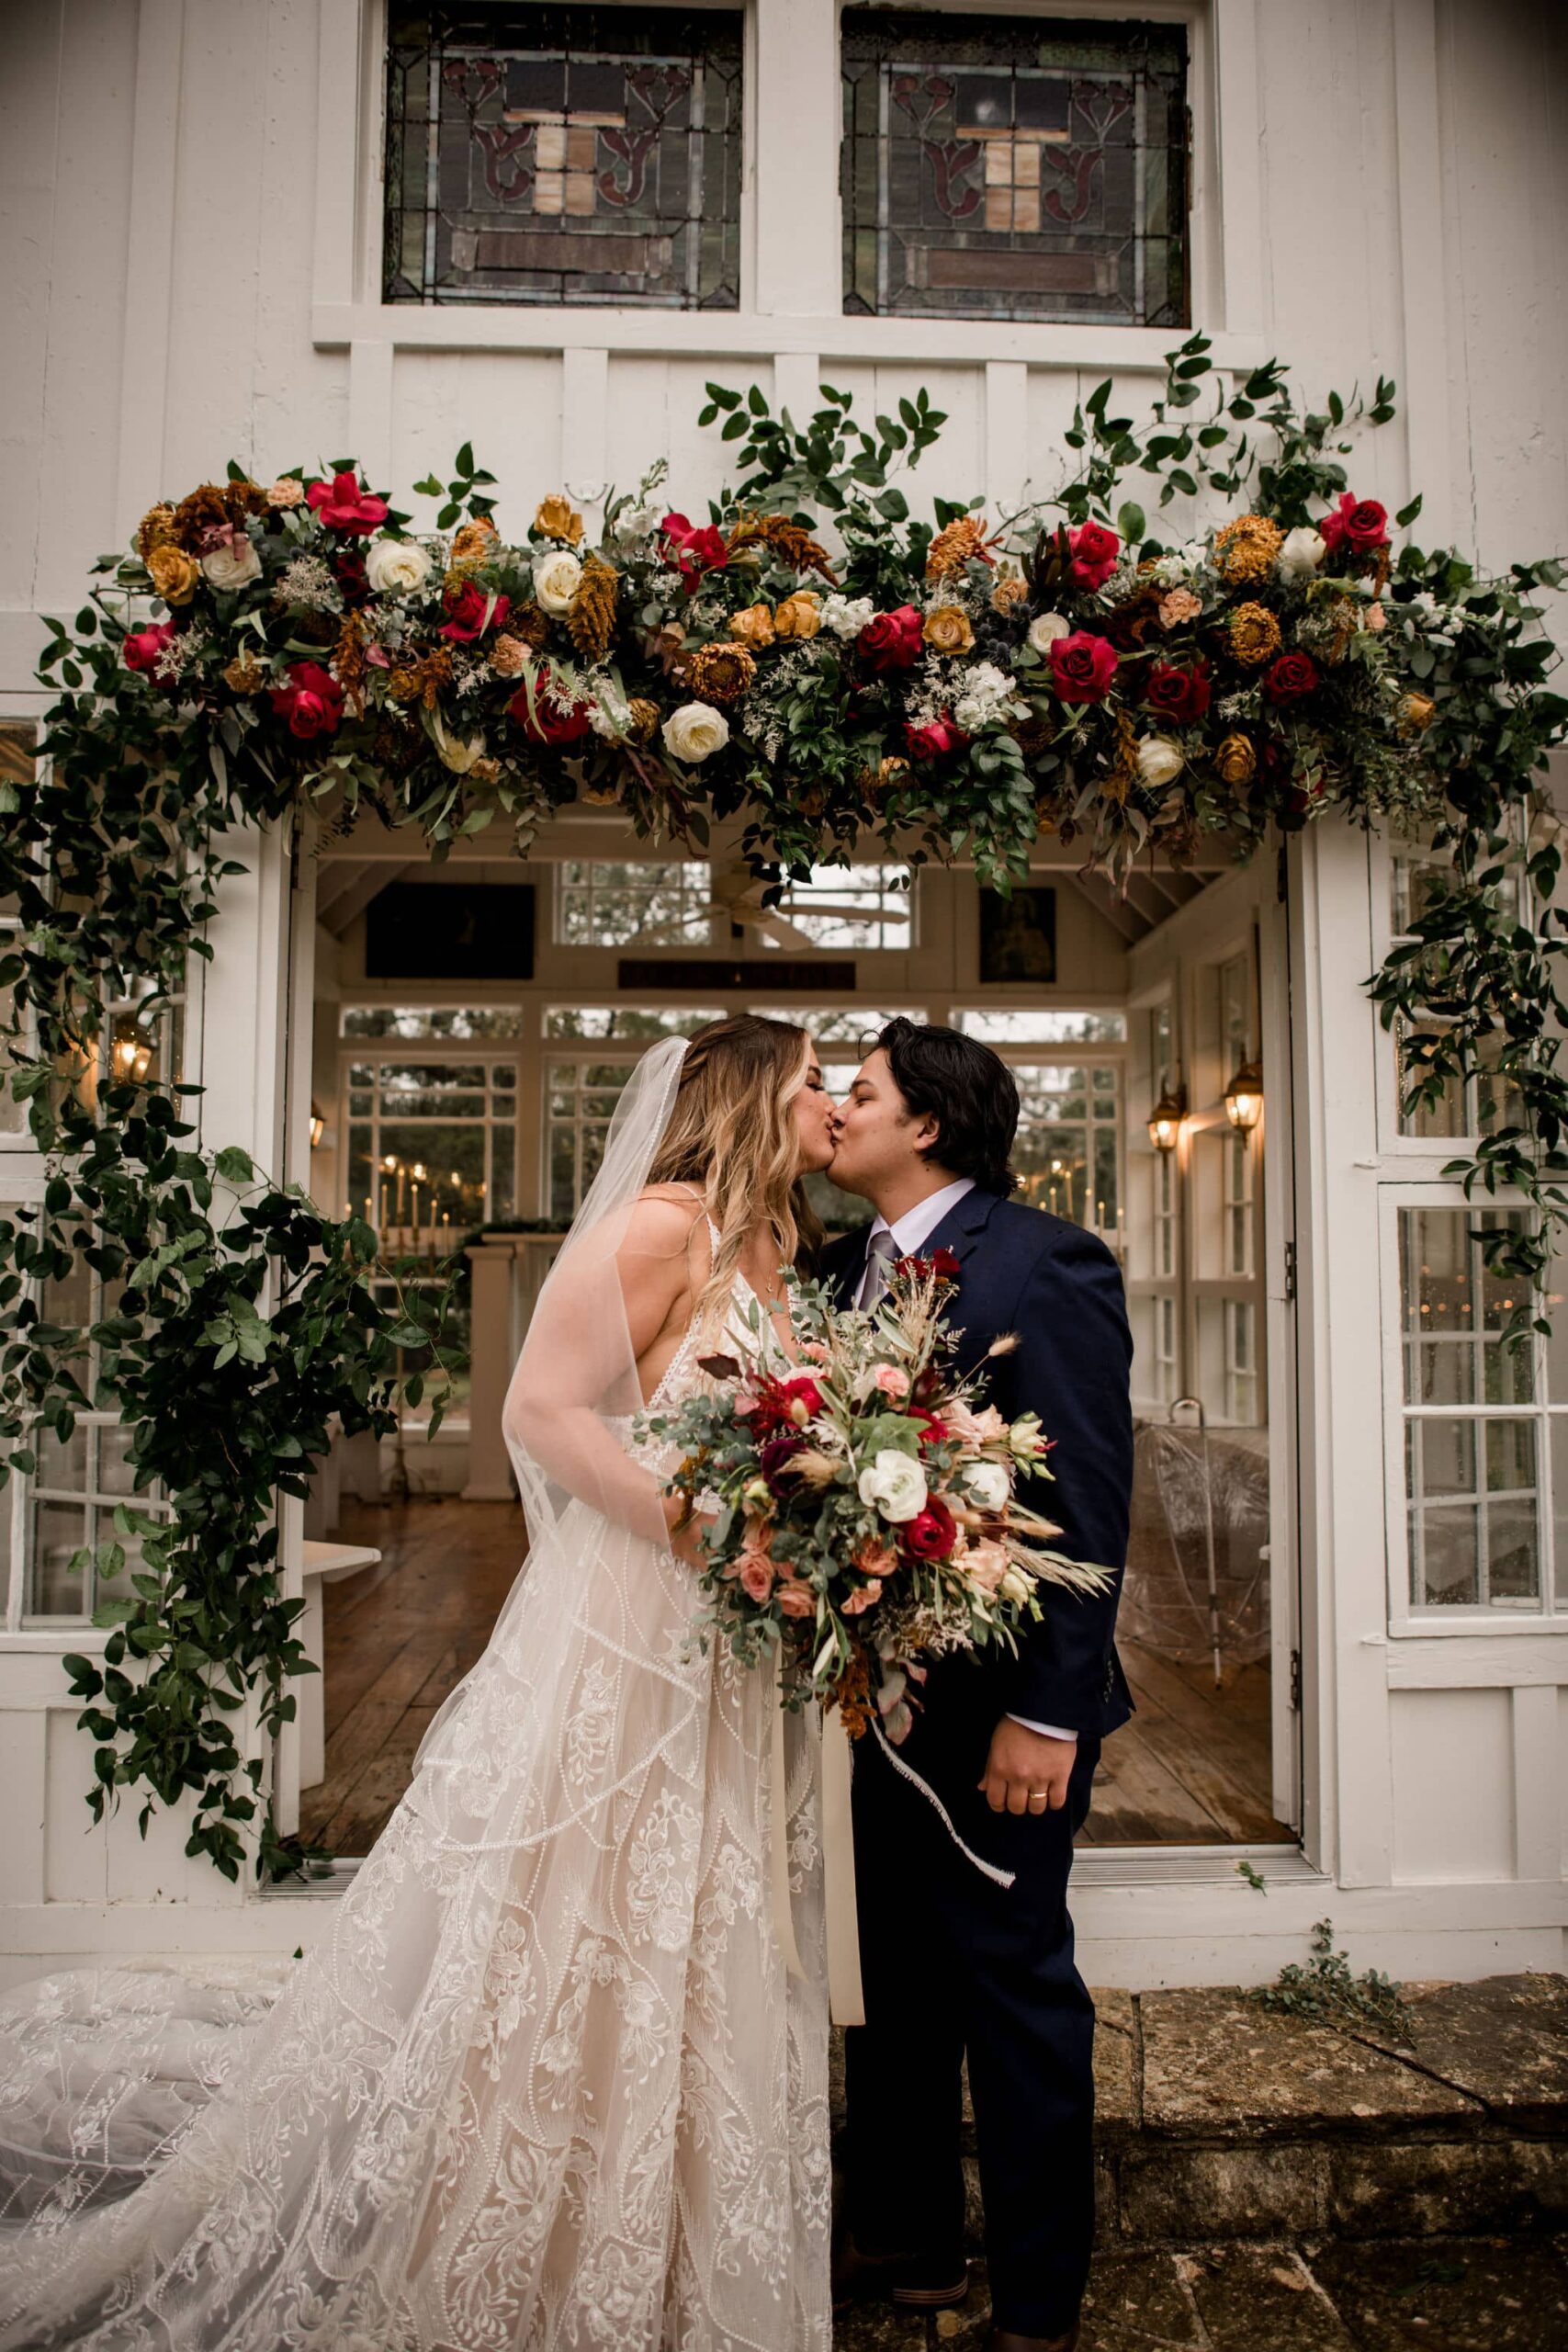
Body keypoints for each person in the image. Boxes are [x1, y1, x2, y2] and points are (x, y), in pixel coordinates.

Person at [0, 1014, 840, 2352]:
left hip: (730, 1637)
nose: (834, 1098)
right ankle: (524, 2228)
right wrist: (698, 1527)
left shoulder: (772, 1240)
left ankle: (666, 2220)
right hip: (637, 1611)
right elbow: (539, 1412)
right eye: (813, 1079)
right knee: (584, 1905)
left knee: (690, 1901)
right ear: (747, 1096)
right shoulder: (661, 1225)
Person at [821, 1018, 1134, 2352]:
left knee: (1014, 1989)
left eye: (863, 1091)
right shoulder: (836, 1271)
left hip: (1004, 1708)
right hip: (863, 1706)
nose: (838, 1109)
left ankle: (1043, 2297)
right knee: (887, 1985)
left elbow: (1090, 1504)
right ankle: (917, 2240)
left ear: (928, 1125)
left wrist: (1050, 1714)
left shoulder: (1044, 1263)